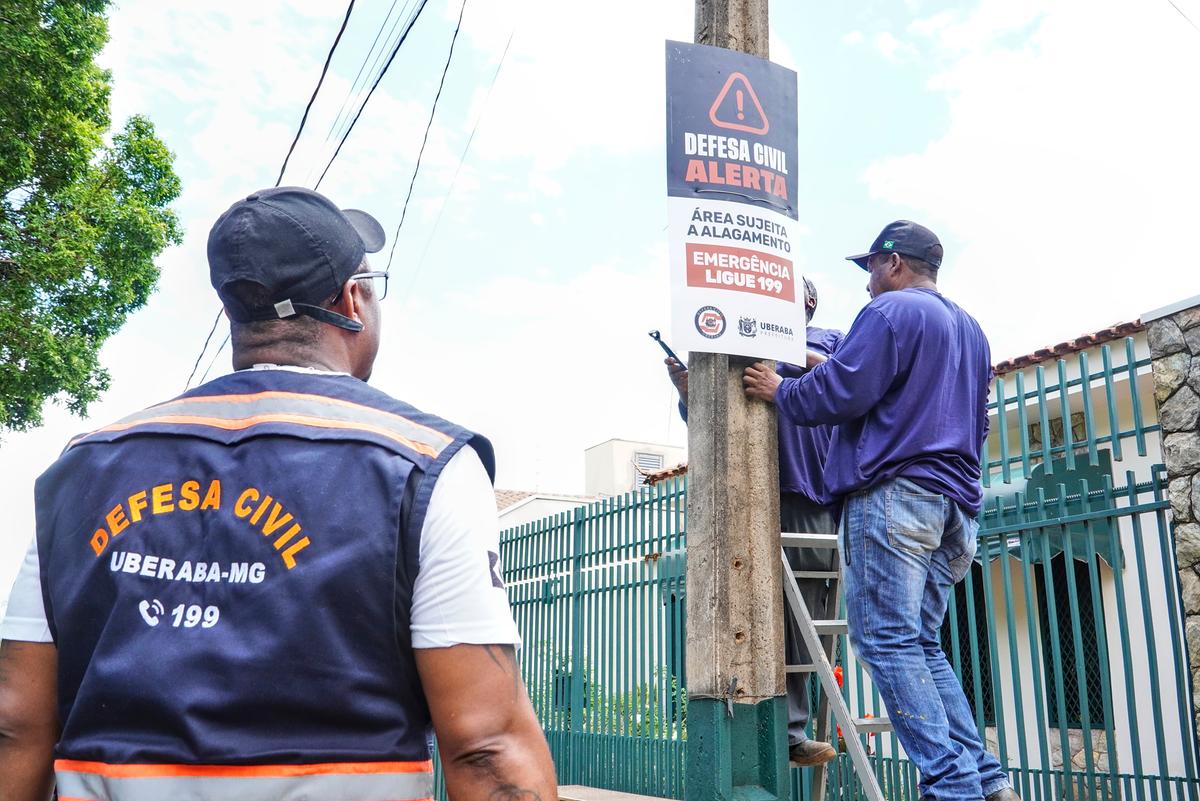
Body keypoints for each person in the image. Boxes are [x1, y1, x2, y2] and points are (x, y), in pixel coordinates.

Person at [0, 187, 557, 801]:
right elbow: (487, 750)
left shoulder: (80, 472)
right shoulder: (423, 468)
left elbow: (15, 727)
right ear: (353, 301)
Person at [742, 221, 1016, 801]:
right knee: (920, 643)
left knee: (888, 643)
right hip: (956, 505)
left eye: (870, 268)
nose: (867, 283)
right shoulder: (970, 329)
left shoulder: (890, 313)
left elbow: (843, 392)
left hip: (896, 498)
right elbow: (970, 414)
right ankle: (986, 783)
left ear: (893, 264)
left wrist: (780, 389)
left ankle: (952, 789)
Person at [665, 276, 844, 767]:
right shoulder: (739, 340)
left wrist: (788, 353)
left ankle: (793, 731)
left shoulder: (827, 340)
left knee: (803, 619)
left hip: (808, 496)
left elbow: (845, 377)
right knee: (744, 615)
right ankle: (763, 733)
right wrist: (689, 391)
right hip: (744, 497)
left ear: (807, 303)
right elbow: (713, 417)